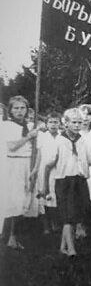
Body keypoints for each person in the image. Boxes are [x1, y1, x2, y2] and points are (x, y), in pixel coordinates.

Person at [43, 108, 91, 256]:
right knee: (67, 216)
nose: (77, 125)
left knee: (76, 213)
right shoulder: (59, 141)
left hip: (79, 181)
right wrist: (45, 187)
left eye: (80, 122)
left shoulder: (83, 141)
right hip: (64, 182)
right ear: (66, 123)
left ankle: (63, 247)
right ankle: (71, 249)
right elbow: (48, 166)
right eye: (74, 122)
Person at [2, 96, 40, 249]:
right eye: (16, 108)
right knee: (15, 200)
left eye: (22, 108)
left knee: (27, 199)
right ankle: (10, 236)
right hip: (14, 164)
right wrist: (28, 137)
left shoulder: (31, 125)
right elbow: (12, 146)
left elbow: (38, 149)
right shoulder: (7, 126)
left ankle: (15, 235)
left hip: (28, 163)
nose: (19, 111)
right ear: (10, 110)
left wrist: (35, 168)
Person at [36, 111, 62, 234]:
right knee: (44, 196)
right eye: (50, 122)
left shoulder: (62, 137)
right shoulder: (42, 137)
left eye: (56, 122)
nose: (53, 125)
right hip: (43, 170)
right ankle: (46, 225)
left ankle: (55, 222)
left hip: (58, 170)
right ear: (46, 124)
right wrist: (36, 169)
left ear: (60, 124)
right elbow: (38, 155)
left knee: (55, 196)